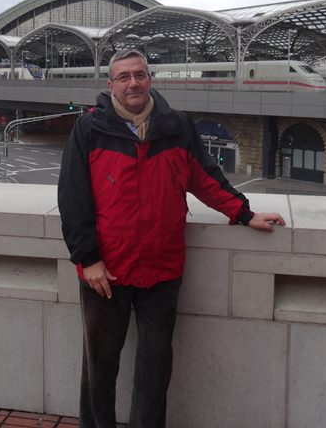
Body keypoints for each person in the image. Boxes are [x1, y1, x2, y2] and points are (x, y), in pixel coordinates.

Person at [58, 49, 285, 428]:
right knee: (99, 367)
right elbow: (73, 196)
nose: (133, 82)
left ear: (150, 80)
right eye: (124, 77)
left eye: (140, 74)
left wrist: (243, 213)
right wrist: (87, 258)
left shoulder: (176, 125)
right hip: (106, 270)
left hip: (162, 269)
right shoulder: (90, 129)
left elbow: (206, 177)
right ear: (110, 85)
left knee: (157, 365)